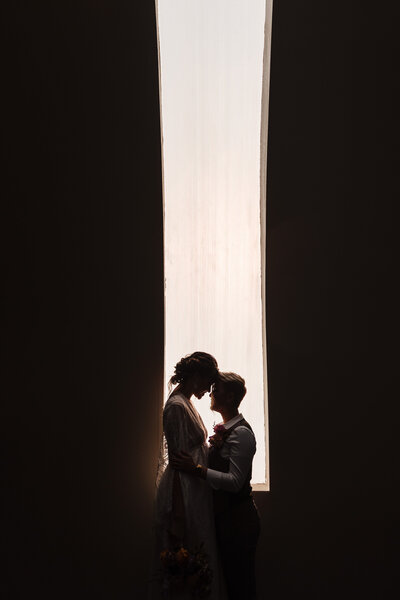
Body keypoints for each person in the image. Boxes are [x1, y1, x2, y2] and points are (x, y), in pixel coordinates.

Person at [171, 372, 260, 600]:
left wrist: (196, 470)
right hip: (226, 518)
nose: (211, 393)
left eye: (216, 389)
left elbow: (234, 482)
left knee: (241, 585)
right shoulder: (225, 428)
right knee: (230, 583)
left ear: (229, 398)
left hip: (239, 521)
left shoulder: (241, 433)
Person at [150, 351, 225, 599]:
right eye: (207, 381)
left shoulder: (186, 401)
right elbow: (179, 465)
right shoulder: (176, 407)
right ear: (196, 376)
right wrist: (178, 515)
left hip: (196, 491)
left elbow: (190, 454)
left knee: (199, 564)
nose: (208, 389)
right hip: (185, 494)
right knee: (189, 565)